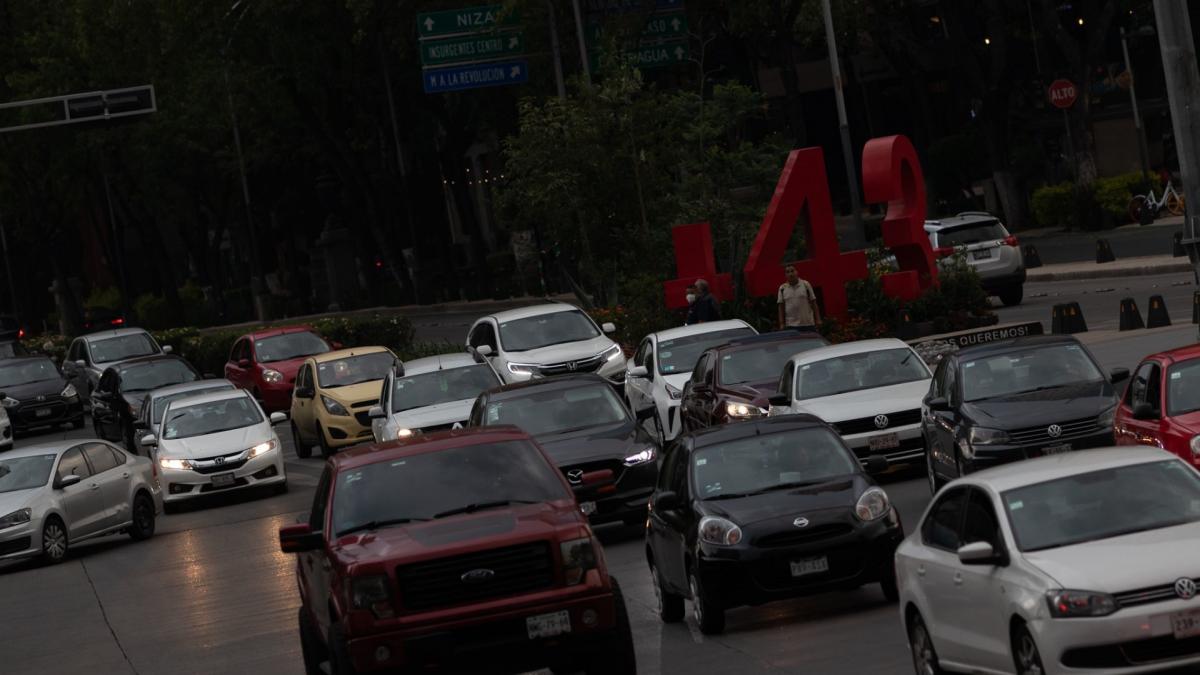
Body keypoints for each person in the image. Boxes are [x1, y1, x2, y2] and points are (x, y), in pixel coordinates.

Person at [777, 264, 820, 330]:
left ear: (796, 272)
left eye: (792, 271)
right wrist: (782, 323)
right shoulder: (782, 288)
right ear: (785, 275)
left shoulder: (806, 285)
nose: (790, 274)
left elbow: (813, 303)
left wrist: (818, 319)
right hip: (791, 325)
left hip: (808, 324)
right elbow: (781, 307)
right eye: (787, 272)